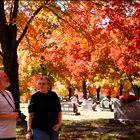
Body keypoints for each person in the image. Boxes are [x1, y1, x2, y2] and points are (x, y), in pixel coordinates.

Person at [0, 71, 19, 140]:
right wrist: (10, 116)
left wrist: (16, 116)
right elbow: (10, 115)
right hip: (1, 135)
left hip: (12, 134)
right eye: (5, 76)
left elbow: (10, 110)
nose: (8, 78)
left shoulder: (8, 93)